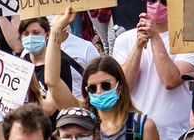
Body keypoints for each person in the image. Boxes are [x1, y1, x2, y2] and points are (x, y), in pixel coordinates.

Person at [45, 8, 160, 140]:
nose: (99, 91)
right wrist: (55, 31)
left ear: (119, 85)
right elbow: (52, 82)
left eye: (105, 85)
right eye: (92, 88)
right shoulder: (84, 117)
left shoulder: (141, 127)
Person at [112, 0, 194, 140]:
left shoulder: (188, 39)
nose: (158, 5)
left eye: (165, 0)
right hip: (137, 130)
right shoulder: (124, 39)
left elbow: (170, 80)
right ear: (144, 1)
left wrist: (155, 37)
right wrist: (138, 46)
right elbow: (123, 86)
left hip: (177, 132)